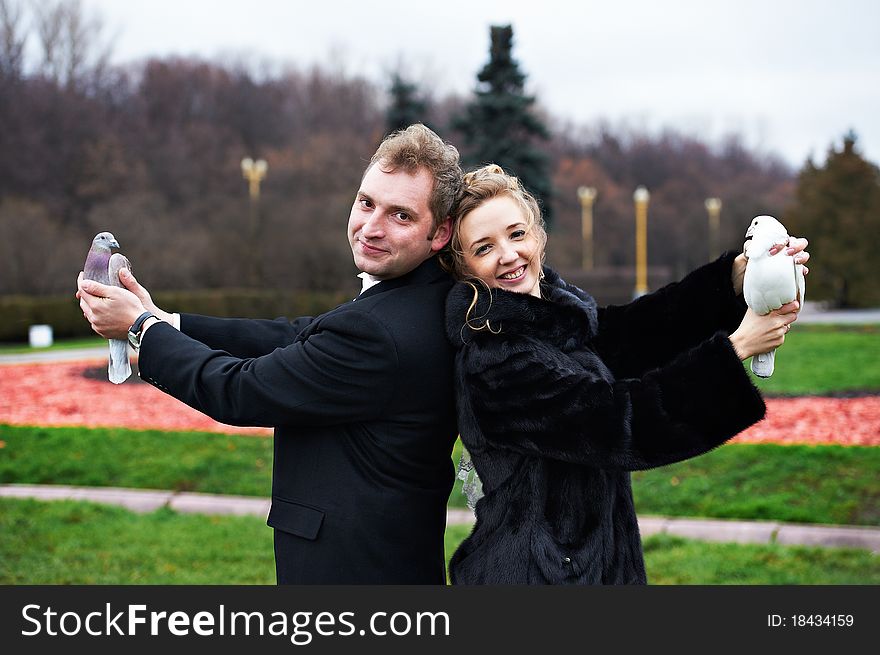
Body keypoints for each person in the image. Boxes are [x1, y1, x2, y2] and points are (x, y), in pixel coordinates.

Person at [77, 124, 463, 584]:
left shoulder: (381, 331)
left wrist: (141, 328)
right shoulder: (418, 299)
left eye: (401, 216)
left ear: (439, 232)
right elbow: (298, 336)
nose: (371, 227)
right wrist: (166, 318)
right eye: (366, 203)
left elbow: (239, 390)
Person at [440, 164, 809, 584]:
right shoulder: (495, 361)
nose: (508, 254)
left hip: (585, 569)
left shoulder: (555, 319)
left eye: (517, 234)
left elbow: (635, 333)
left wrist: (735, 278)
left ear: (538, 236)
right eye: (484, 247)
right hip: (534, 577)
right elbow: (617, 422)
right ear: (465, 268)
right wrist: (735, 348)